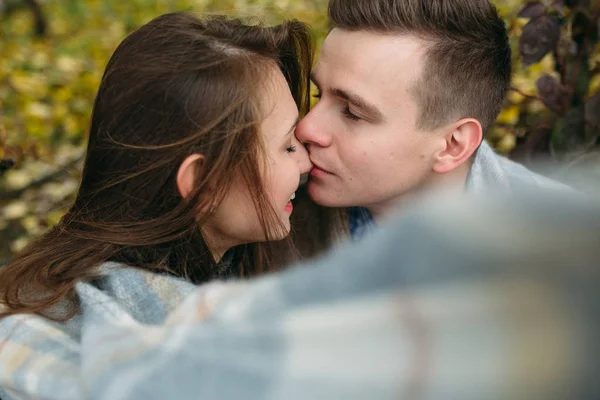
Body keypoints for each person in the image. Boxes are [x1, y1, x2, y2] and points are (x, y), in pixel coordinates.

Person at [0, 12, 313, 322]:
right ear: (202, 181)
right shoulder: (149, 332)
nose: (305, 161)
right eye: (287, 146)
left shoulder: (219, 277)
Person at [295, 0, 572, 238]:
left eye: (352, 113)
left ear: (453, 144)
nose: (306, 128)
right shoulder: (269, 209)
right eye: (319, 94)